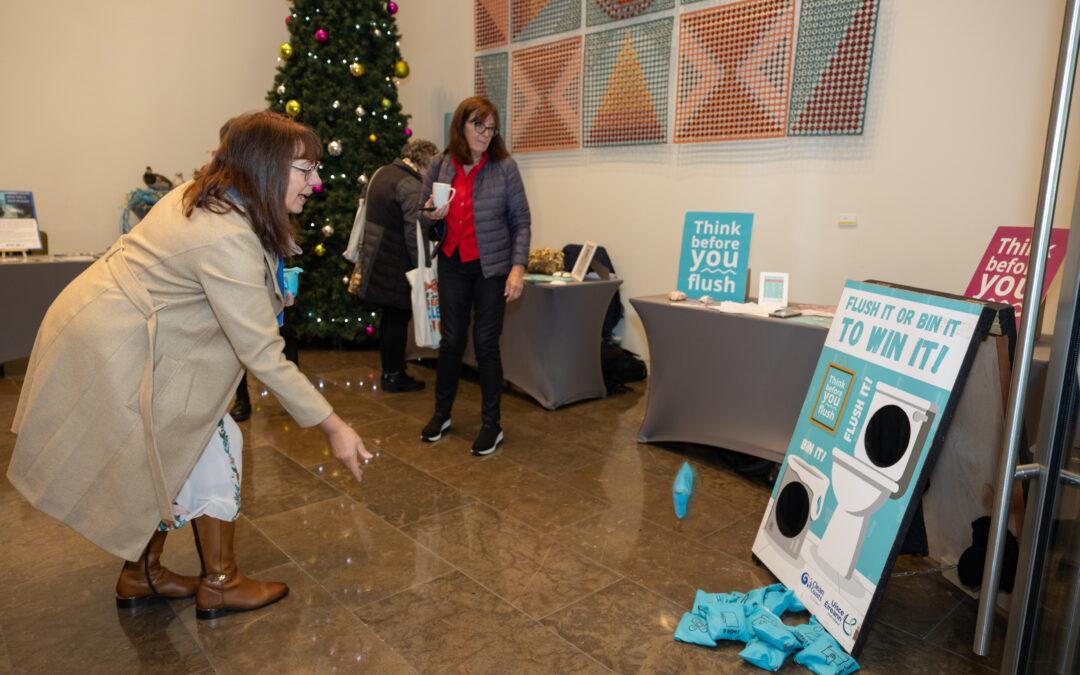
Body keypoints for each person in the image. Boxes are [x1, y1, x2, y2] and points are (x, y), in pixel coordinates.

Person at [7, 111, 371, 620]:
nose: (317, 182)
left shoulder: (213, 197)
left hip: (118, 332)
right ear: (265, 168)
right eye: (305, 169)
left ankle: (143, 573)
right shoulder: (225, 234)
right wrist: (334, 426)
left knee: (168, 449)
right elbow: (263, 352)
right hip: (115, 343)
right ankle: (219, 583)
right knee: (211, 442)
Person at [418, 96, 531, 456]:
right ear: (462, 127)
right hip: (452, 262)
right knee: (451, 343)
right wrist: (431, 215)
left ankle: (491, 424)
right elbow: (422, 213)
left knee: (485, 345)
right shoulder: (440, 164)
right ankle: (442, 414)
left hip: (491, 268)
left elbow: (521, 222)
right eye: (478, 125)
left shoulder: (504, 168)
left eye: (491, 127)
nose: (485, 133)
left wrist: (518, 268)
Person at [352, 139, 439, 392]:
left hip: (376, 256)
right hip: (396, 263)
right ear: (423, 163)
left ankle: (391, 371)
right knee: (398, 319)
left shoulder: (382, 173)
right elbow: (415, 234)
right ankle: (394, 375)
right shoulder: (411, 186)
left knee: (389, 319)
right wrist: (423, 270)